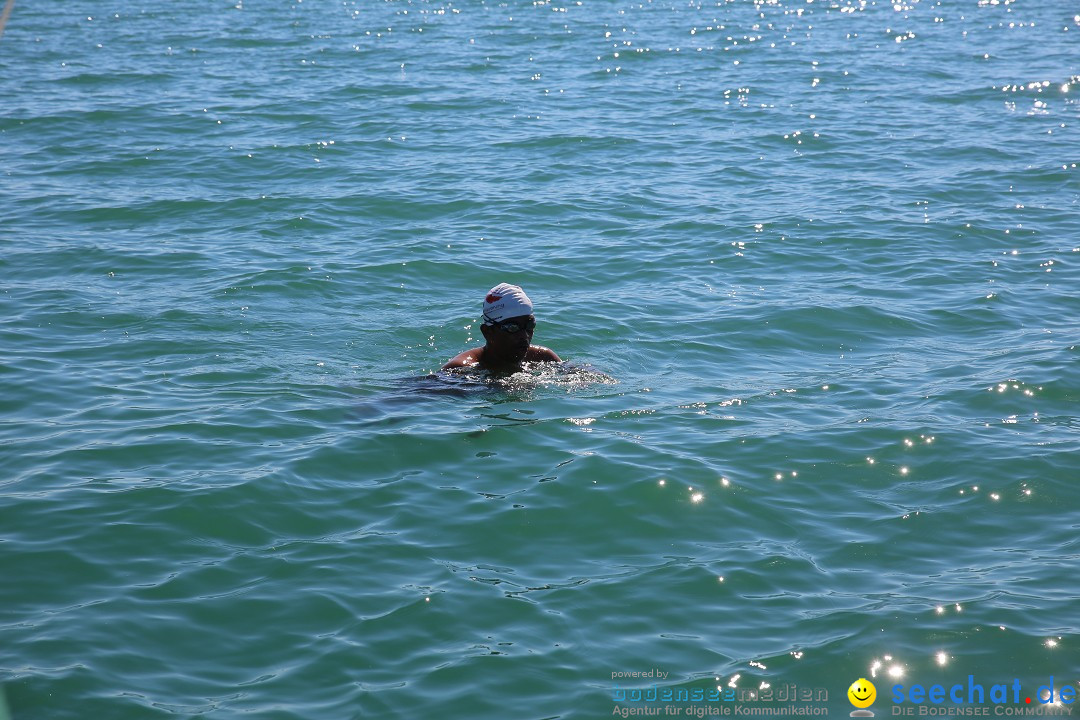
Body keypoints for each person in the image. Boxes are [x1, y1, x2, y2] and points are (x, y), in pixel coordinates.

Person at [442, 283, 562, 372]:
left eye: (529, 325)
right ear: (487, 332)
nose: (524, 336)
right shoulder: (460, 370)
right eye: (512, 327)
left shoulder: (542, 357)